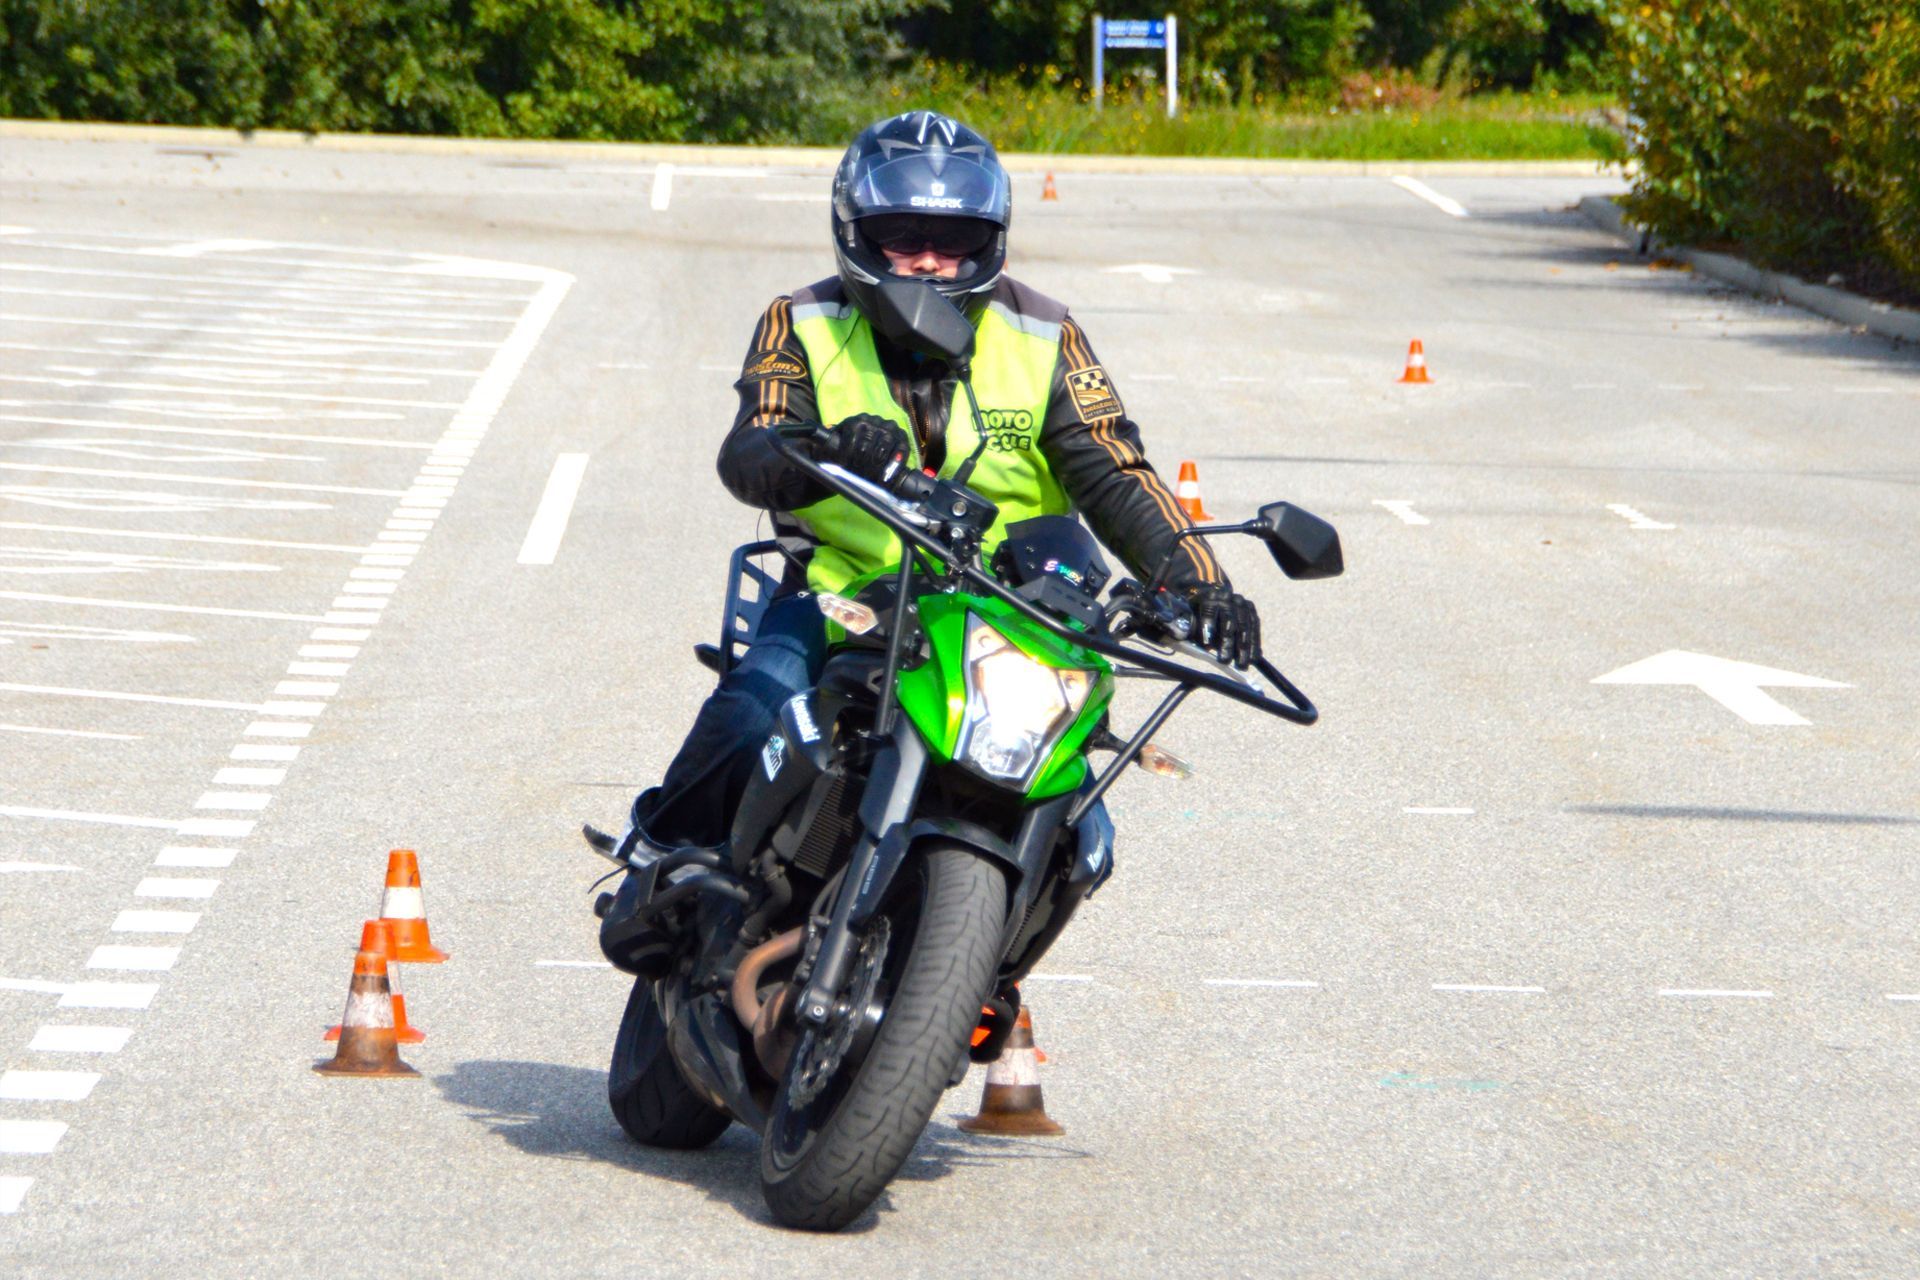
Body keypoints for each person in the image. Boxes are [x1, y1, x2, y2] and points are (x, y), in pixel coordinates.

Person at [626, 110, 1259, 851]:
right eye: (905, 236)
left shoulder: (1045, 335)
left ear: (989, 241)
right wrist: (827, 449)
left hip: (1012, 619)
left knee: (1084, 830)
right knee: (752, 715)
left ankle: (989, 960)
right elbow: (751, 448)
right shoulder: (802, 322)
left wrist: (1201, 583)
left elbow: (1116, 472)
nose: (929, 260)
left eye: (954, 241)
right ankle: (660, 865)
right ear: (857, 233)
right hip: (843, 600)